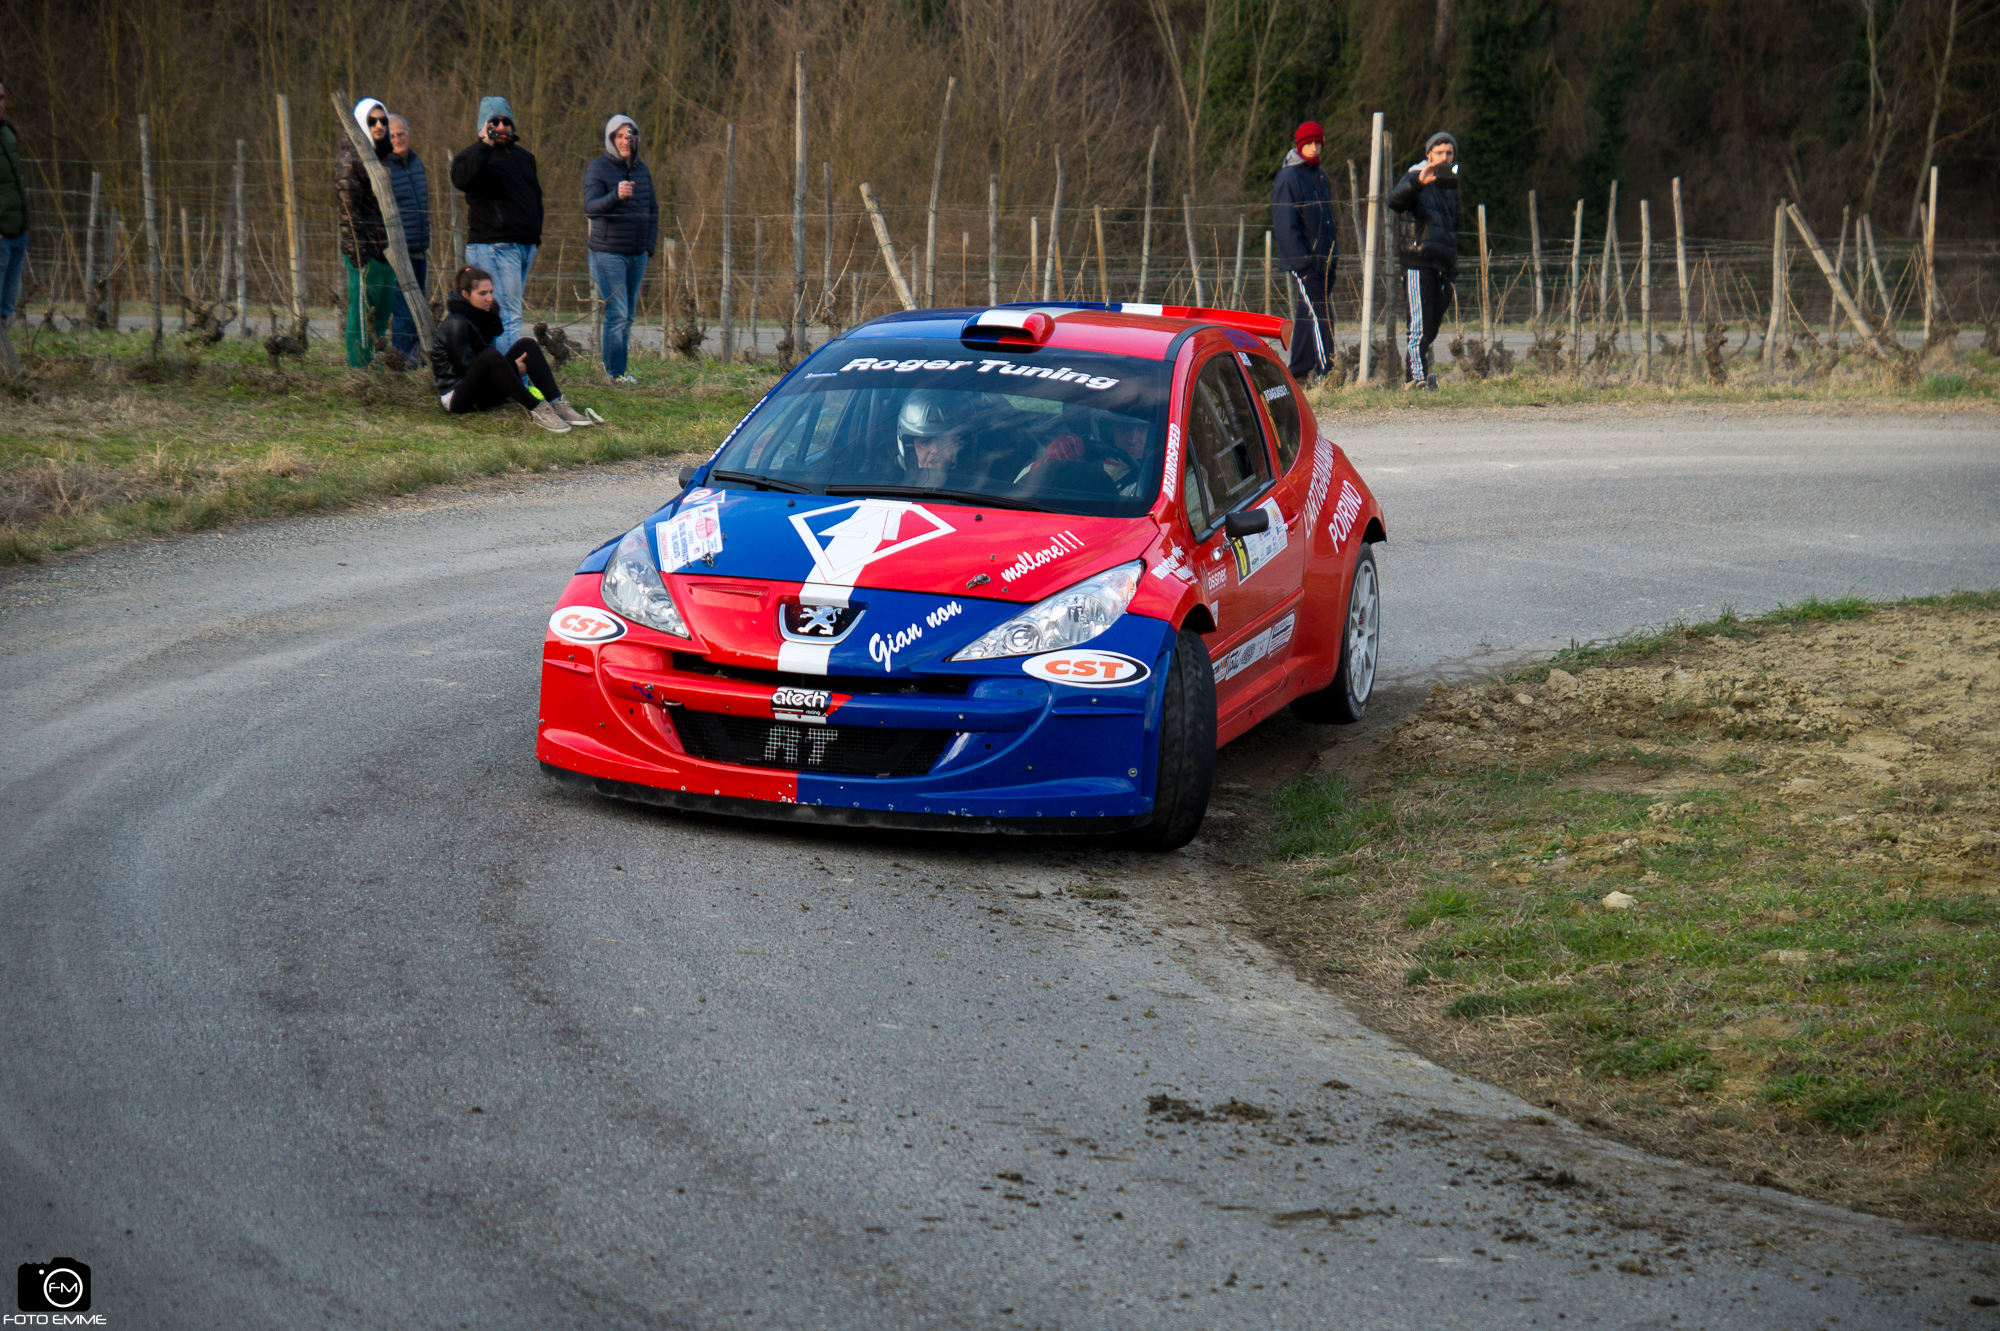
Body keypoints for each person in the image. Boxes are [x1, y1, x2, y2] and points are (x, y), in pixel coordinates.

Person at [431, 265, 599, 433]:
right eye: (482, 293)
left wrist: (508, 368)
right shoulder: (456, 325)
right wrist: (512, 368)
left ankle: (557, 403)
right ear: (465, 295)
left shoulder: (478, 315)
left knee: (527, 345)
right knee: (490, 355)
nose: (489, 298)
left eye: (491, 292)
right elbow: (468, 369)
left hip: (482, 390)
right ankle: (538, 410)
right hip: (458, 397)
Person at [451, 96, 543, 353]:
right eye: (494, 121)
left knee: (497, 316)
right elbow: (462, 179)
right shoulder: (472, 156)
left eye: (506, 121)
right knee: (507, 316)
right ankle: (513, 383)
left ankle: (494, 376)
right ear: (483, 125)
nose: (502, 126)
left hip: (524, 246)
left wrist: (535, 238)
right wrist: (485, 145)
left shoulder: (525, 158)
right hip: (495, 246)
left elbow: (535, 195)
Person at [583, 114, 658, 384]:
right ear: (611, 139)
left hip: (637, 254)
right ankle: (613, 375)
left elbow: (653, 210)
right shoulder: (598, 169)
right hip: (608, 253)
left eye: (630, 135)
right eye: (620, 136)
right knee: (618, 314)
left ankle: (621, 373)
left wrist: (649, 246)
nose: (626, 140)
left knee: (629, 316)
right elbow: (590, 208)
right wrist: (616, 195)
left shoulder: (643, 170)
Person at [1388, 131, 1460, 390]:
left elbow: (1452, 228)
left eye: (1449, 153)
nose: (1444, 157)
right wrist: (1418, 182)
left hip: (1442, 266)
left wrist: (1452, 273)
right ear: (1429, 153)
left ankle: (1421, 374)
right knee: (1417, 325)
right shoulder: (1414, 176)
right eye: (1439, 152)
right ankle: (1415, 378)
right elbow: (1394, 201)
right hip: (1417, 261)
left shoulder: (1450, 182)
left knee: (1431, 326)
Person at [1271, 120, 1337, 384]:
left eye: (1317, 142)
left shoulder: (1320, 176)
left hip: (1324, 261)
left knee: (1308, 313)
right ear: (1299, 146)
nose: (1313, 147)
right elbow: (1285, 225)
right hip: (1305, 262)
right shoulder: (1289, 177)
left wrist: (1333, 256)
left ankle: (1298, 371)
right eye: (1308, 143)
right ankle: (1327, 371)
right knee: (1320, 314)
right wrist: (1303, 264)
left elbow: (1328, 220)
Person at [335, 97, 397, 366]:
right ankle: (358, 370)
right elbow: (349, 213)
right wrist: (359, 256)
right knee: (361, 314)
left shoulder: (381, 158)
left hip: (385, 250)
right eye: (373, 121)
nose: (380, 125)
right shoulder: (351, 160)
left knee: (382, 311)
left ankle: (373, 364)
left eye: (383, 120)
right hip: (365, 253)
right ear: (361, 123)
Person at [384, 114, 431, 365]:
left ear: (409, 133)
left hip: (420, 249)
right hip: (400, 252)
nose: (397, 138)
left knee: (419, 310)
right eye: (391, 135)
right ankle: (401, 363)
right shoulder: (384, 167)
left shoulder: (416, 163)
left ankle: (417, 361)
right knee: (402, 313)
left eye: (401, 133)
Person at [0, 77, 27, 329]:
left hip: (17, 234)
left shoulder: (7, 133)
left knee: (6, 309)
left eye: (1, 98)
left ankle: (4, 365)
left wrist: (23, 226)